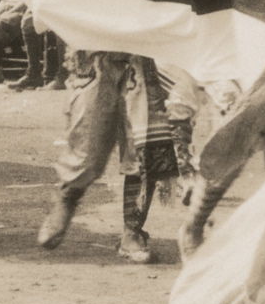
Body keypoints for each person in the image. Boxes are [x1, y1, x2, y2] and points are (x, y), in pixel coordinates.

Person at [41, 44, 185, 264]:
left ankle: (132, 231)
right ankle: (69, 196)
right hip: (97, 55)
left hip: (146, 57)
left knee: (145, 147)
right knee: (88, 146)